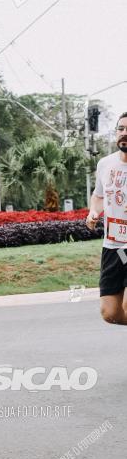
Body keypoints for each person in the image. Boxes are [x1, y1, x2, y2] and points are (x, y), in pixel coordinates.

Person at [86, 112, 127, 323]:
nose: (124, 133)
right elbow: (99, 195)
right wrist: (94, 212)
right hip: (115, 247)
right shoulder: (105, 164)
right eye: (121, 129)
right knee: (110, 313)